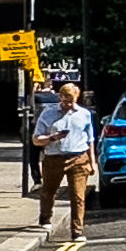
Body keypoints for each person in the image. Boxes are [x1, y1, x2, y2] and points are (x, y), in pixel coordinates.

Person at [32, 81, 95, 241]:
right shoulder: (48, 113)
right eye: (65, 100)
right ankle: (45, 218)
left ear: (77, 98)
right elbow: (36, 140)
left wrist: (92, 162)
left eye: (71, 101)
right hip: (54, 158)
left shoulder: (84, 114)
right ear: (60, 97)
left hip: (79, 158)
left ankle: (77, 231)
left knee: (78, 196)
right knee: (49, 192)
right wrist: (52, 138)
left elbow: (90, 140)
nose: (68, 104)